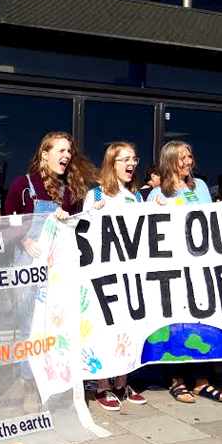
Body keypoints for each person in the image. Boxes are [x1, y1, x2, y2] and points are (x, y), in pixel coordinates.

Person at [5, 131, 96, 411]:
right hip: (26, 265)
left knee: (53, 326)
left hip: (55, 269)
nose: (67, 156)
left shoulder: (68, 192)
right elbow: (8, 223)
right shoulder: (23, 185)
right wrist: (24, 238)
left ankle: (52, 381)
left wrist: (88, 212)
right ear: (44, 153)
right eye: (61, 150)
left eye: (69, 151)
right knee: (28, 328)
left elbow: (78, 227)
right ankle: (29, 385)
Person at [151, 141, 222, 404]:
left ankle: (202, 380)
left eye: (190, 156)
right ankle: (175, 379)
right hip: (172, 269)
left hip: (199, 266)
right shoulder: (157, 194)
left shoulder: (201, 187)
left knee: (202, 321)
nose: (188, 162)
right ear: (169, 160)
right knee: (175, 324)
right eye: (182, 157)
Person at [82, 142, 147, 411]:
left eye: (134, 159)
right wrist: (92, 213)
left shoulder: (137, 197)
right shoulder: (96, 194)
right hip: (104, 274)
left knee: (127, 326)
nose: (131, 164)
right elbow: (84, 231)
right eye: (125, 159)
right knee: (102, 326)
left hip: (129, 274)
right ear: (112, 163)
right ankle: (101, 385)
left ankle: (121, 381)